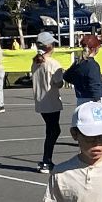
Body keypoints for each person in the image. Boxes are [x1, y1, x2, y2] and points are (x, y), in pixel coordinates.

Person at [31, 32, 65, 172]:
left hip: (40, 101)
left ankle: (47, 160)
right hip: (50, 101)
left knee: (51, 130)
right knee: (53, 131)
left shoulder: (35, 62)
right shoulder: (53, 64)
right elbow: (58, 83)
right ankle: (46, 161)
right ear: (49, 46)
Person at [62, 33, 102, 121]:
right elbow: (95, 86)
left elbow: (66, 76)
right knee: (99, 128)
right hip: (94, 101)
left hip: (81, 100)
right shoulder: (93, 65)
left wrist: (78, 82)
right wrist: (99, 101)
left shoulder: (78, 63)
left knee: (83, 126)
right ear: (94, 49)